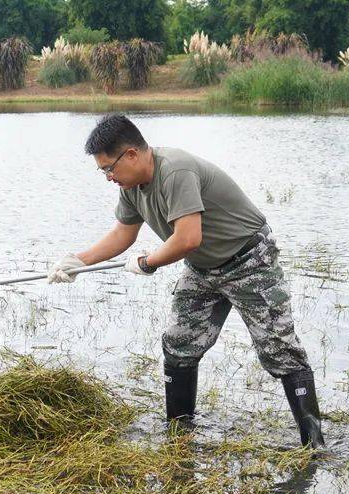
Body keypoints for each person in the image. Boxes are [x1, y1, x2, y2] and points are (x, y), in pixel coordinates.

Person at [47, 114, 325, 447]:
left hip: (249, 261)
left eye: (109, 168)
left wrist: (147, 263)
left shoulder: (175, 170)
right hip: (203, 268)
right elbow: (123, 234)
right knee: (179, 342)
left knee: (280, 350)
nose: (108, 177)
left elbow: (188, 238)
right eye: (103, 171)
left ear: (132, 154)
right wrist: (79, 261)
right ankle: (179, 435)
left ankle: (314, 445)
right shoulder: (131, 186)